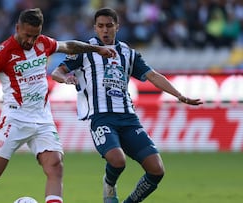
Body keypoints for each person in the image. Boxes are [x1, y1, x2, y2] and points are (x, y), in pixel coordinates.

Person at [0, 8, 116, 203]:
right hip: (15, 119)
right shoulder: (3, 53)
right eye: (27, 35)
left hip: (42, 118)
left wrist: (97, 49)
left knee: (55, 166)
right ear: (17, 28)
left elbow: (68, 46)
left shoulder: (43, 43)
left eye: (35, 36)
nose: (31, 41)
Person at [51, 8, 203, 203]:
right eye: (100, 26)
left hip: (129, 118)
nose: (105, 30)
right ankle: (109, 184)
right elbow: (57, 71)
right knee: (117, 160)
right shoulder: (84, 50)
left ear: (117, 27)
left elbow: (153, 77)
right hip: (101, 117)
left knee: (156, 170)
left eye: (109, 26)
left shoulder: (128, 54)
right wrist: (66, 78)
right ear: (95, 28)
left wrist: (180, 96)